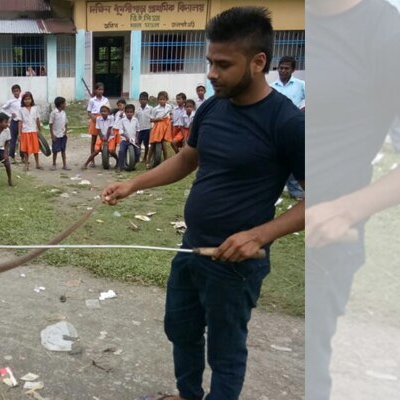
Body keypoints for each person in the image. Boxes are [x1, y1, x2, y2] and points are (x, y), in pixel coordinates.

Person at [102, 6, 304, 399]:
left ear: (258, 62)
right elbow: (186, 159)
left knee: (225, 351)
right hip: (193, 246)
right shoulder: (213, 106)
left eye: (223, 64)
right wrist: (133, 185)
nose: (211, 73)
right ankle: (188, 394)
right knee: (180, 329)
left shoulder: (286, 122)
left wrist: (259, 236)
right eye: (210, 61)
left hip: (234, 264)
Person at [305, 1, 400, 399]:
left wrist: (347, 209)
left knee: (305, 373)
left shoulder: (390, 38)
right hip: (266, 229)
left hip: (324, 242)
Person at [271, 55, 306, 200]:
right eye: (281, 68)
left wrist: (302, 109)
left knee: (293, 156)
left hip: (294, 126)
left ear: (293, 70)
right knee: (275, 158)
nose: (283, 71)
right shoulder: (272, 87)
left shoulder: (300, 84)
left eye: (286, 68)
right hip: (276, 127)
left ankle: (296, 191)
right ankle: (274, 190)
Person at [86, 82, 110, 167]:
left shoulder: (105, 100)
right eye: (99, 89)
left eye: (102, 89)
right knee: (93, 140)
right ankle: (92, 161)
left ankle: (105, 158)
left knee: (105, 139)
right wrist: (93, 117)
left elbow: (108, 110)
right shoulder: (92, 100)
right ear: (95, 90)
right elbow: (89, 111)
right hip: (95, 119)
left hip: (104, 119)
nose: (101, 91)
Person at [146, 91, 173, 168]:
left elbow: (171, 113)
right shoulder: (155, 109)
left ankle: (166, 161)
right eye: (160, 99)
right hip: (157, 127)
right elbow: (151, 120)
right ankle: (148, 162)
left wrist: (170, 117)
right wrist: (158, 119)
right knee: (153, 144)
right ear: (158, 100)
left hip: (165, 127)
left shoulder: (169, 107)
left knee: (164, 145)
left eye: (163, 99)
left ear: (166, 99)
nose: (162, 101)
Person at [18, 91, 43, 171]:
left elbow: (38, 120)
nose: (27, 101)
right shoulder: (21, 110)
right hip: (25, 132)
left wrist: (40, 130)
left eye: (29, 99)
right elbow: (20, 122)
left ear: (32, 100)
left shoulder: (35, 109)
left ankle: (37, 164)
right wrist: (19, 133)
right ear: (23, 100)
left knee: (36, 148)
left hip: (33, 131)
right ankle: (26, 164)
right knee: (25, 150)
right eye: (25, 99)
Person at [0, 84, 22, 163]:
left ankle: (22, 157)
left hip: (22, 122)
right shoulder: (10, 102)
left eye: (17, 91)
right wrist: (9, 115)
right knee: (12, 139)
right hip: (14, 122)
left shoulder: (23, 100)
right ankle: (11, 156)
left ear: (20, 91)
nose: (16, 93)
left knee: (22, 139)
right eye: (14, 91)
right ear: (12, 92)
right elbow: (2, 109)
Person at [116, 104, 140, 172]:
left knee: (138, 152)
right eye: (127, 112)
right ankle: (120, 166)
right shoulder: (122, 120)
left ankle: (132, 165)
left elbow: (138, 130)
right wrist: (126, 137)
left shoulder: (135, 120)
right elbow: (121, 131)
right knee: (121, 151)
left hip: (133, 140)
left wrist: (136, 138)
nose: (129, 113)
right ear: (125, 112)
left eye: (131, 112)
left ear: (133, 112)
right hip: (124, 140)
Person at [49, 96, 70, 171]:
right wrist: (52, 135)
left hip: (63, 135)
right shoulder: (53, 113)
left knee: (63, 150)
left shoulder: (64, 113)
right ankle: (54, 164)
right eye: (64, 103)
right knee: (55, 151)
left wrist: (66, 131)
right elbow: (50, 124)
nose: (65, 105)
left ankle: (64, 164)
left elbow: (66, 123)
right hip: (56, 135)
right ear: (61, 104)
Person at [136, 91, 152, 162]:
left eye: (144, 99)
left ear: (147, 100)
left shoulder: (150, 109)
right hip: (139, 129)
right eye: (141, 99)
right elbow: (135, 120)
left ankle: (145, 157)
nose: (143, 101)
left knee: (146, 144)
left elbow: (152, 119)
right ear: (139, 100)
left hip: (147, 129)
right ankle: (137, 157)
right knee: (138, 144)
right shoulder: (137, 110)